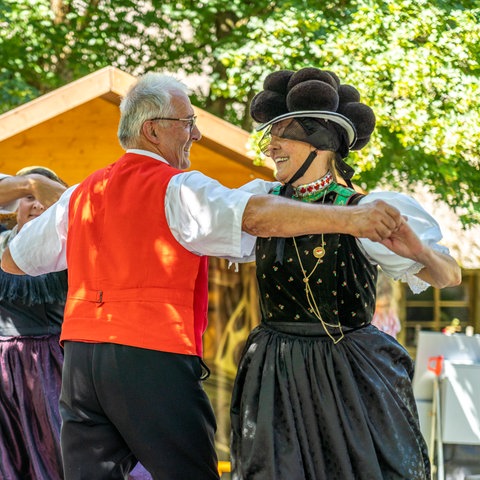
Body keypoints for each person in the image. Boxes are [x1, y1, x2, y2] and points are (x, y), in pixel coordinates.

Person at [2, 72, 405, 480]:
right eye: (188, 123)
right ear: (153, 130)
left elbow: (15, 260)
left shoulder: (81, 194)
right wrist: (350, 217)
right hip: (150, 357)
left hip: (81, 363)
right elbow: (256, 217)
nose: (195, 134)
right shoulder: (179, 188)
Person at [228, 67, 462, 480]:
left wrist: (419, 250)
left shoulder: (369, 208)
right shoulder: (260, 203)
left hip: (347, 373)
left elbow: (449, 277)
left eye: (282, 135)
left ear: (320, 144)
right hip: (275, 372)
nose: (271, 148)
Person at [0, 166, 68, 480]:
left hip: (52, 366)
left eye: (45, 197)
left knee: (57, 454)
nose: (38, 204)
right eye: (28, 197)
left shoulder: (70, 250)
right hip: (3, 368)